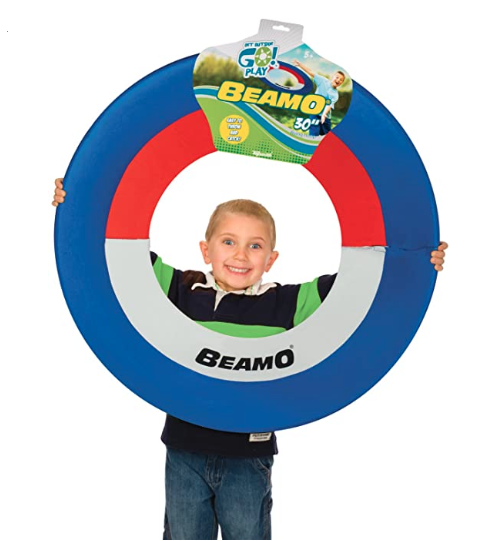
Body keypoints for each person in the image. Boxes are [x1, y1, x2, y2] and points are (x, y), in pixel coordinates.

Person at [52, 178, 448, 539]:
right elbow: (117, 254)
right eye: (228, 242)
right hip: (185, 447)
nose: (241, 255)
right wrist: (78, 203)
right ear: (206, 250)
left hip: (249, 454)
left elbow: (365, 285)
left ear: (270, 259)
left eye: (255, 246)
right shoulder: (182, 289)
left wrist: (416, 261)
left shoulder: (286, 302)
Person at [293, 60, 345, 137]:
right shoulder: (322, 81)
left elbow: (329, 105)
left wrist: (324, 115)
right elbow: (311, 72)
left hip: (325, 117)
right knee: (313, 133)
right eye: (337, 77)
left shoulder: (335, 95)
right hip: (314, 112)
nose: (338, 80)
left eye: (341, 80)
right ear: (332, 77)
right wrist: (300, 65)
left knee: (326, 136)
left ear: (341, 83)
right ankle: (311, 143)